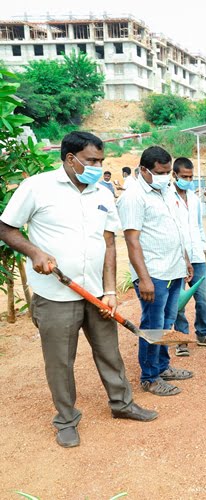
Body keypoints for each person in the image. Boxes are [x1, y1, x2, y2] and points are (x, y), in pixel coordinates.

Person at [0, 131, 157, 448]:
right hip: (56, 296)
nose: (98, 166)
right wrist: (35, 253)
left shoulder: (101, 193)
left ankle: (122, 405)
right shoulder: (38, 188)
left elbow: (109, 242)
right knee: (60, 362)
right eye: (91, 160)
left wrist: (110, 290)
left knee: (109, 353)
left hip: (96, 294)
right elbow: (5, 227)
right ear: (70, 159)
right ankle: (67, 420)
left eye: (101, 160)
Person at [118, 146, 194, 397]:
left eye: (167, 172)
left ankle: (162, 366)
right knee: (152, 325)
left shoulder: (165, 189)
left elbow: (174, 227)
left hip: (173, 269)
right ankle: (149, 377)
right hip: (154, 274)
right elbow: (132, 241)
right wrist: (144, 278)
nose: (165, 176)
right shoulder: (133, 197)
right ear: (143, 170)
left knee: (166, 322)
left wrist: (185, 260)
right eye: (160, 172)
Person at [171, 157, 206, 357]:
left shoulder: (193, 198)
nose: (188, 179)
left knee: (203, 298)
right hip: (175, 258)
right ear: (174, 175)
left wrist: (203, 246)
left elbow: (199, 225)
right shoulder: (167, 197)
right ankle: (182, 338)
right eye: (184, 176)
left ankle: (203, 334)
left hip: (197, 256)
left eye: (191, 176)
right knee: (178, 300)